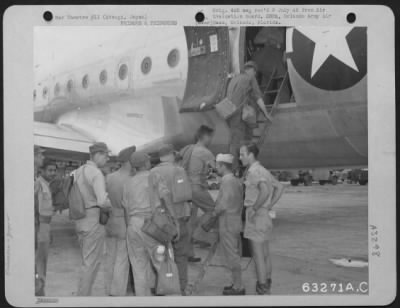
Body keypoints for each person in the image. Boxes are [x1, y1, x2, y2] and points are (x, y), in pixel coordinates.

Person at [123, 151, 177, 296]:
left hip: (134, 226)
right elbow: (166, 197)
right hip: (153, 227)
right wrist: (174, 220)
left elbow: (126, 209)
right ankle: (172, 300)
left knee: (139, 269)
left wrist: (131, 228)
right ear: (146, 163)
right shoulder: (154, 176)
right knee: (165, 266)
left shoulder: (128, 182)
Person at [239, 143, 284, 295]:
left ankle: (262, 287)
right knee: (265, 254)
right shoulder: (263, 170)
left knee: (258, 256)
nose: (240, 158)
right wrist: (268, 206)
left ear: (251, 154)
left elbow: (264, 191)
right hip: (265, 216)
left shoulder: (253, 171)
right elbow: (280, 187)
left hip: (257, 217)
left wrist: (255, 208)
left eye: (242, 154)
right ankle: (267, 283)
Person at [151, 144, 192, 295]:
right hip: (178, 217)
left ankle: (162, 286)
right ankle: (181, 287)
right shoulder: (178, 170)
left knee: (160, 254)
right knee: (180, 254)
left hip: (159, 220)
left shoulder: (152, 172)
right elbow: (185, 195)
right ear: (170, 155)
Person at [75, 142, 112, 296]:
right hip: (93, 219)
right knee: (91, 263)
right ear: (98, 154)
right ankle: (82, 298)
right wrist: (110, 204)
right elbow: (102, 201)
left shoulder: (78, 171)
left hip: (80, 218)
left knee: (86, 260)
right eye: (106, 155)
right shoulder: (96, 173)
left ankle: (83, 295)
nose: (107, 159)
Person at [180, 125, 216, 262]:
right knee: (213, 210)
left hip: (185, 189)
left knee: (190, 221)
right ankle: (198, 235)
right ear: (205, 136)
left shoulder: (188, 148)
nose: (211, 140)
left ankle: (189, 253)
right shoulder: (205, 152)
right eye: (210, 137)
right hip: (196, 188)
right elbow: (218, 169)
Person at [225, 61, 270, 172]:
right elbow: (258, 98)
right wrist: (266, 113)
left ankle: (236, 168)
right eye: (255, 72)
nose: (255, 75)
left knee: (235, 142)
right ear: (252, 70)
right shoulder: (250, 78)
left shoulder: (233, 79)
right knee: (241, 144)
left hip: (229, 114)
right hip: (239, 116)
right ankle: (236, 170)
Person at [104, 145, 136, 296]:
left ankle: (108, 288)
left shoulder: (109, 177)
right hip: (125, 220)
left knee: (110, 256)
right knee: (122, 258)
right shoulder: (131, 179)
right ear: (130, 160)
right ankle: (117, 291)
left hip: (111, 220)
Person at [211, 153, 245, 295]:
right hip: (233, 220)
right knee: (232, 254)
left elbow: (224, 203)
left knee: (232, 255)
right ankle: (234, 283)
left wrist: (213, 213)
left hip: (228, 222)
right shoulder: (234, 180)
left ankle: (238, 287)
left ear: (223, 166)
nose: (216, 168)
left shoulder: (228, 181)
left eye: (217, 166)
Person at [35, 158, 57, 296]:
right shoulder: (38, 184)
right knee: (39, 261)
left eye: (54, 170)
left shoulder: (46, 184)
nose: (53, 173)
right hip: (40, 227)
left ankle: (39, 289)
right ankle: (37, 292)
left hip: (45, 226)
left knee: (42, 260)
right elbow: (33, 209)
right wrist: (37, 230)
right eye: (50, 170)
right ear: (41, 171)